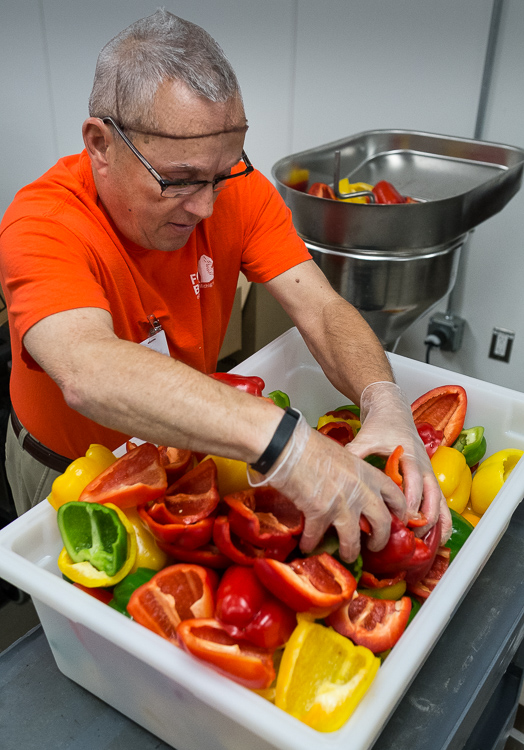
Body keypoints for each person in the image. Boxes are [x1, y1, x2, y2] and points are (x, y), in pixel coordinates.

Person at [0, 9, 449, 560]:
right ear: (100, 143)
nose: (206, 205)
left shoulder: (236, 191)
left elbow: (321, 309)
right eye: (180, 180)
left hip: (186, 439)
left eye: (222, 173)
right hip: (67, 466)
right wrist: (286, 444)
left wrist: (385, 402)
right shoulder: (42, 222)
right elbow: (87, 369)